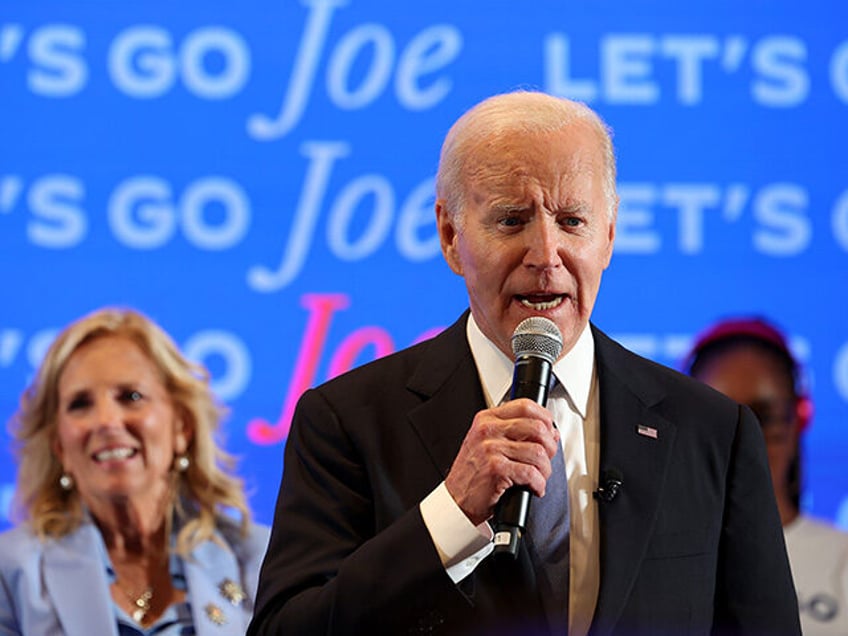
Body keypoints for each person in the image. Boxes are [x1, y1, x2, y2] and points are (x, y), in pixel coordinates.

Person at [248, 90, 800, 635]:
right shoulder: (348, 421)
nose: (545, 255)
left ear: (608, 236)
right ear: (450, 236)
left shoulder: (712, 433)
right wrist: (449, 514)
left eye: (572, 221)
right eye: (511, 220)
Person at [0, 307, 270, 635]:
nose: (107, 421)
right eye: (80, 404)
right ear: (60, 446)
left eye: (131, 396)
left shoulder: (258, 560)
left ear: (181, 427)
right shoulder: (11, 572)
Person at [686, 316, 848, 635]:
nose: (743, 441)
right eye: (716, 419)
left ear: (799, 417)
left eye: (764, 418)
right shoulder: (654, 560)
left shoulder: (841, 559)